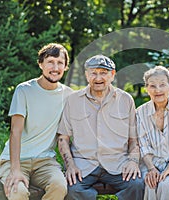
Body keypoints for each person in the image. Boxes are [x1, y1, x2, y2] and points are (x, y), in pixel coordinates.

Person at [57, 54, 144, 200]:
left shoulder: (125, 99)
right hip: (84, 165)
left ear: (112, 75)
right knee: (72, 189)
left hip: (117, 164)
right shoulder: (73, 100)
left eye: (103, 73)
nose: (98, 78)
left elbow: (134, 139)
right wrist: (71, 165)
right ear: (86, 75)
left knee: (136, 184)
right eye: (93, 73)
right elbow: (63, 139)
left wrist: (133, 161)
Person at [0, 43, 73, 200]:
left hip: (45, 161)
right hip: (17, 159)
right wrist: (15, 169)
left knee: (59, 186)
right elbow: (15, 132)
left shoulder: (69, 95)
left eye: (60, 63)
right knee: (18, 192)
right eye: (50, 62)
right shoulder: (24, 90)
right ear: (40, 64)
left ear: (65, 67)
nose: (55, 67)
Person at [136, 66, 169, 200]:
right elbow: (143, 145)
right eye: (152, 86)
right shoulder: (140, 112)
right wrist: (151, 168)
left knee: (165, 185)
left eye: (162, 85)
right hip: (150, 163)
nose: (158, 90)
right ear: (147, 89)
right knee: (150, 185)